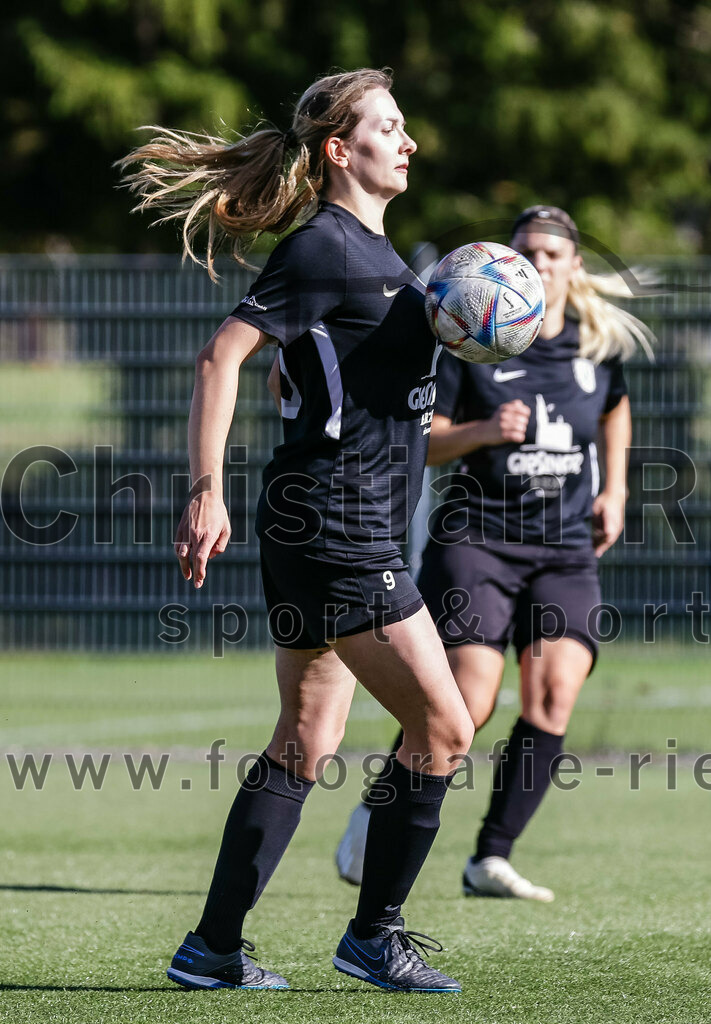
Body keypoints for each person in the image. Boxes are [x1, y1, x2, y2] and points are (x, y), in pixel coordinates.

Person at [118, 68, 472, 993]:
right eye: (388, 127)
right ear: (339, 150)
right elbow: (221, 356)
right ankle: (374, 936)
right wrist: (205, 491)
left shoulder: (377, 258)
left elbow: (330, 379)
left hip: (324, 522)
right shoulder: (325, 247)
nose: (408, 142)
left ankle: (211, 949)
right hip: (337, 526)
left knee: (306, 738)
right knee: (444, 728)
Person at [335, 205, 653, 901]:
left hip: (565, 547)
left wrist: (617, 488)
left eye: (551, 253)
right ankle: (377, 813)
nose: (538, 262)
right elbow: (425, 440)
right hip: (478, 539)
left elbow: (615, 409)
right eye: (525, 250)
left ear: (573, 266)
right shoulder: (473, 337)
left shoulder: (596, 345)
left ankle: (490, 858)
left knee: (555, 692)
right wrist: (484, 430)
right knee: (467, 702)